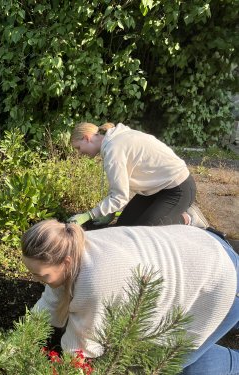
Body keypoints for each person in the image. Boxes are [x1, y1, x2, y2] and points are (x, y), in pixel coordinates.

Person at [22, 219, 238, 374]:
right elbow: (49, 303)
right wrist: (20, 341)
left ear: (65, 262)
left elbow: (81, 348)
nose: (36, 280)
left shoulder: (95, 281)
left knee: (165, 364)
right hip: (198, 247)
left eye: (40, 275)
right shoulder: (69, 247)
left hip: (217, 280)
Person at [67, 122, 208, 228]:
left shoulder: (113, 149)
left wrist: (89, 215)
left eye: (79, 148)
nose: (80, 153)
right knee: (123, 227)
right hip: (154, 189)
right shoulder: (114, 139)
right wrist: (110, 212)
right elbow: (122, 186)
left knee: (145, 232)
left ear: (87, 138)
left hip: (178, 188)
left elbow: (119, 197)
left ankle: (188, 218)